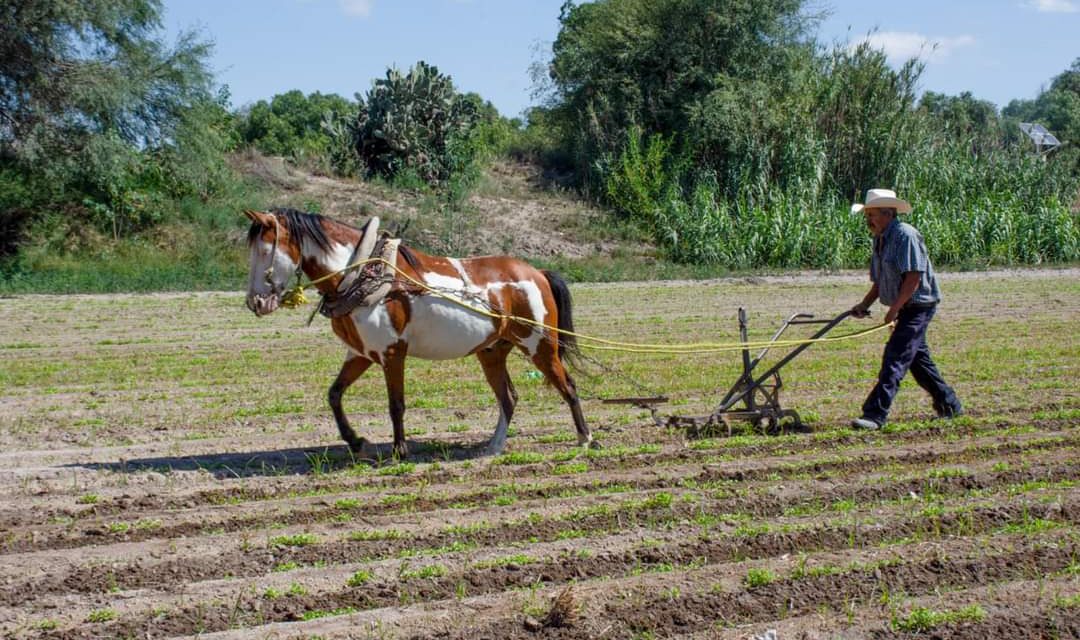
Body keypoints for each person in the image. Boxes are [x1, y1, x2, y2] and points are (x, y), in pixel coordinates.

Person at [849, 188, 962, 430]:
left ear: (888, 213)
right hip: (904, 305)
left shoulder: (905, 236)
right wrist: (864, 304)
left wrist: (893, 311)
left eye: (872, 215)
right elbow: (881, 280)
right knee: (917, 361)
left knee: (896, 357)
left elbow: (913, 279)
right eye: (867, 215)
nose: (868, 220)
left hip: (918, 305)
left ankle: (874, 415)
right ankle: (949, 404)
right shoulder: (880, 239)